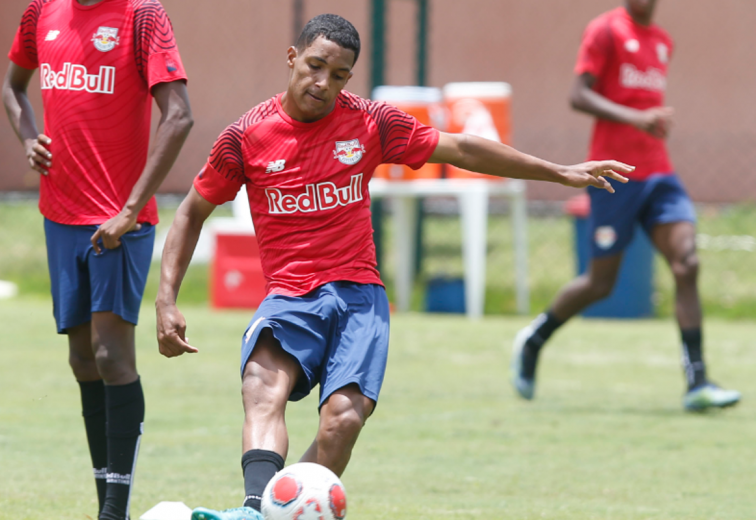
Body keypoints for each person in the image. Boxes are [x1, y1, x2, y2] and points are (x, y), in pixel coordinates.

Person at [156, 14, 631, 520]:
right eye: (315, 66)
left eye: (339, 75)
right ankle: (255, 508)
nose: (323, 83)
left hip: (358, 297)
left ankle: (282, 510)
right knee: (260, 383)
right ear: (292, 58)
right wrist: (166, 300)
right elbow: (190, 213)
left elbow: (462, 148)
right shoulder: (244, 137)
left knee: (342, 423)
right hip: (290, 297)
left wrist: (559, 172)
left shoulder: (371, 123)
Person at [2, 0, 192, 518]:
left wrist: (129, 210)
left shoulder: (142, 16)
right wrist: (28, 138)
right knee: (83, 360)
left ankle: (113, 511)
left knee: (111, 355)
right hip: (60, 215)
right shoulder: (41, 11)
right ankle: (111, 506)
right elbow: (13, 87)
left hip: (119, 220)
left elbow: (179, 116)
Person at [511, 0, 741, 411]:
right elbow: (578, 95)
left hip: (659, 173)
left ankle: (698, 382)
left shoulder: (663, 41)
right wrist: (635, 118)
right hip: (613, 174)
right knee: (600, 283)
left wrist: (651, 122)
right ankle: (534, 339)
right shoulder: (606, 30)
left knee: (687, 263)